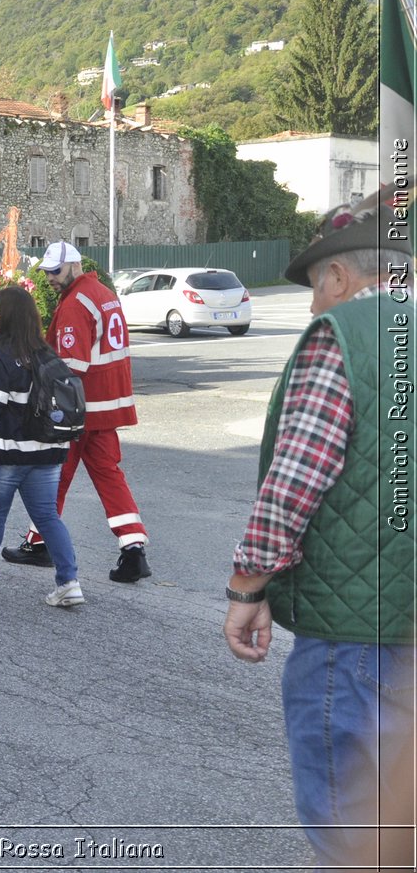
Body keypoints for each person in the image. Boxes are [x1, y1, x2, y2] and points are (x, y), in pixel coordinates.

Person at [224, 185, 414, 871]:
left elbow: (295, 481)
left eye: (312, 286)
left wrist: (248, 585)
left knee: (352, 832)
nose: (311, 305)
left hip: (355, 632)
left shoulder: (342, 337)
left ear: (339, 274)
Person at [0, 241, 149, 582]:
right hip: (107, 407)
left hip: (79, 412)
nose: (50, 278)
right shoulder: (103, 293)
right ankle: (133, 547)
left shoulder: (75, 304)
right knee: (107, 477)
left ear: (72, 266)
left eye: (54, 271)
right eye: (47, 271)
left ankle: (41, 544)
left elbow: (68, 368)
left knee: (54, 474)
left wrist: (36, 400)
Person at [0, 286, 84, 608]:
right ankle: (69, 582)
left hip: (7, 452)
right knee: (47, 516)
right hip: (49, 450)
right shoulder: (47, 353)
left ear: (5, 315)